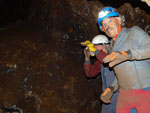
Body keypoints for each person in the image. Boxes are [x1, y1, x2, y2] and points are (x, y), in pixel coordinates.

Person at [97, 6, 150, 113]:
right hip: (124, 95)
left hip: (145, 90)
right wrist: (111, 89)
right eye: (104, 24)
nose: (107, 26)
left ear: (119, 20)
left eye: (110, 21)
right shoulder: (111, 47)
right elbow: (120, 74)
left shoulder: (133, 32)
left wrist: (127, 54)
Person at [83, 35, 119, 113]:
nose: (98, 53)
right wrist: (87, 58)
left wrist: (96, 51)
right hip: (106, 97)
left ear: (107, 45)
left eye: (100, 49)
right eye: (95, 48)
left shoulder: (116, 56)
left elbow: (107, 59)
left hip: (119, 96)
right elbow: (89, 73)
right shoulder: (100, 62)